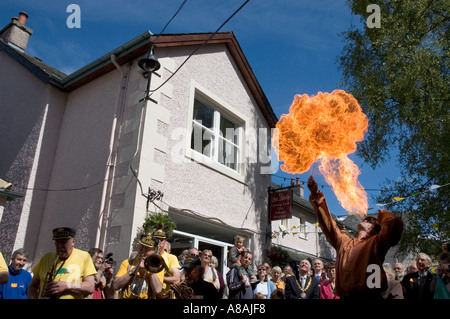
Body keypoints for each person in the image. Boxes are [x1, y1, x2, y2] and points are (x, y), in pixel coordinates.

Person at [307, 176, 404, 299]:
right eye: (366, 219)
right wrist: (316, 195)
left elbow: (394, 226)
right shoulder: (344, 241)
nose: (367, 220)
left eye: (371, 222)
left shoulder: (376, 242)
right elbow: (328, 225)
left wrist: (383, 215)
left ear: (375, 230)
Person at [28, 227, 97, 299]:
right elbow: (33, 286)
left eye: (64, 242)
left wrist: (67, 286)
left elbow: (90, 287)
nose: (60, 246)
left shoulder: (84, 257)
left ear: (73, 242)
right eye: (57, 242)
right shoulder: (46, 258)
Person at [113, 233, 163, 299]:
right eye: (141, 247)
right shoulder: (127, 263)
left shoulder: (157, 266)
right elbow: (116, 285)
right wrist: (134, 269)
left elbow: (158, 290)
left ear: (154, 250)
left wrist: (150, 269)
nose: (143, 251)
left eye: (147, 249)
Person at [152, 229, 181, 298]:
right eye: (156, 239)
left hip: (163, 295)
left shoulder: (171, 257)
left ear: (165, 242)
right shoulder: (148, 256)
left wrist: (159, 278)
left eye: (161, 240)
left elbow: (176, 279)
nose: (158, 243)